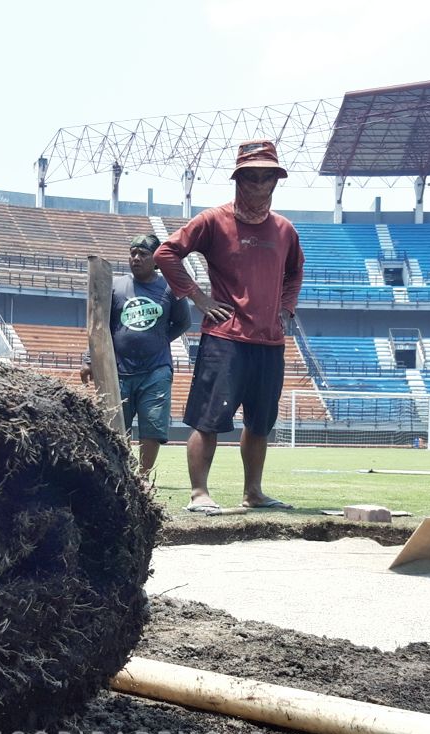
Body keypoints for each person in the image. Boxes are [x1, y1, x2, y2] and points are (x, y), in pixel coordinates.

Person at [154, 139, 304, 512]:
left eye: (266, 177)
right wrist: (199, 298)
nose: (258, 185)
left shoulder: (285, 230)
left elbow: (295, 273)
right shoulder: (212, 221)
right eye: (251, 177)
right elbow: (166, 253)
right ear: (238, 179)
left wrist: (286, 308)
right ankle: (199, 494)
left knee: (260, 423)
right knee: (208, 420)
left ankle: (253, 492)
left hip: (269, 341)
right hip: (225, 339)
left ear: (275, 181)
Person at [80, 234, 191, 475]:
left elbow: (183, 323)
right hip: (118, 370)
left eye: (143, 254)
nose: (136, 258)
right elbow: (100, 325)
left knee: (152, 425)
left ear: (156, 260)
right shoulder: (116, 287)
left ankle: (143, 477)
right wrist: (89, 360)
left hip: (156, 370)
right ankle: (120, 474)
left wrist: (160, 340)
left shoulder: (170, 289)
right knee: (115, 425)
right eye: (132, 253)